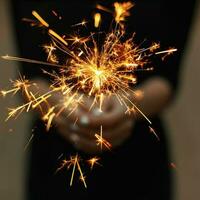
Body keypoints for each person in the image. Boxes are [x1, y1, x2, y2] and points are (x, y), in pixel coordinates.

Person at [11, 0, 196, 199]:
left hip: (140, 164)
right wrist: (58, 105)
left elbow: (168, 76)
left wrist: (131, 104)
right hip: (53, 162)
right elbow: (27, 77)